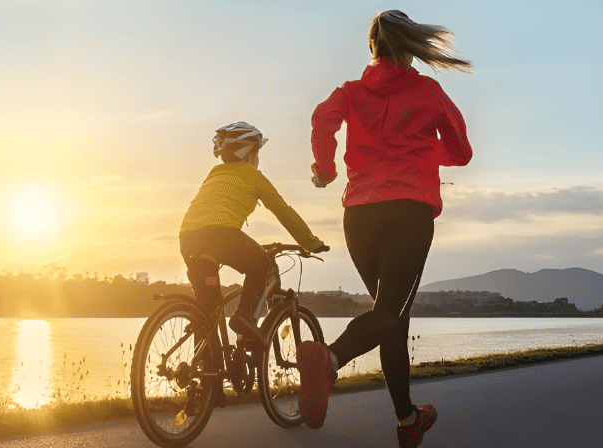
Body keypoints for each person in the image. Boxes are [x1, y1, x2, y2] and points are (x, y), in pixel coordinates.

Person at [295, 10, 473, 448]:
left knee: (391, 318)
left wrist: (325, 168)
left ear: (372, 49)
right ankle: (329, 359)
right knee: (389, 314)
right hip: (407, 213)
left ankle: (407, 419)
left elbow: (322, 120)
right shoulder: (428, 91)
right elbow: (461, 151)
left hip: (358, 217)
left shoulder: (352, 92)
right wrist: (426, 152)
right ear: (410, 47)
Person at [180, 121, 329, 344]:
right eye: (257, 152)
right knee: (261, 263)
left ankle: (206, 371)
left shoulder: (214, 173)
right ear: (249, 152)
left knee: (207, 311)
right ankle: (245, 316)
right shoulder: (253, 176)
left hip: (189, 238)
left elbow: (211, 212)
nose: (258, 158)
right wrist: (310, 242)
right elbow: (284, 212)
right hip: (221, 236)